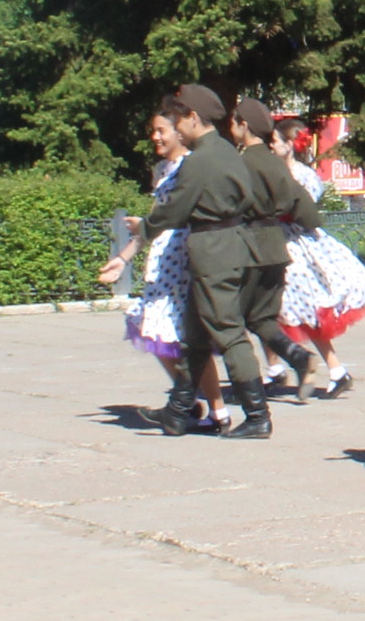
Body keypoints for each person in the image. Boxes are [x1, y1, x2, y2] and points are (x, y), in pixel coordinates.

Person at [108, 87, 285, 437]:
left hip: (214, 249)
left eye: (178, 120)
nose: (175, 126)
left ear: (192, 119)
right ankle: (178, 410)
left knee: (229, 332)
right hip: (226, 245)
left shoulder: (201, 160)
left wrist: (144, 226)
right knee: (196, 335)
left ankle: (257, 415)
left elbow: (174, 208)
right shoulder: (224, 150)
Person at [219, 98, 322, 400]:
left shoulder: (241, 162)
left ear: (244, 126)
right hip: (277, 248)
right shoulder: (275, 163)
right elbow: (307, 210)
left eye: (234, 120)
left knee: (232, 318)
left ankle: (246, 385)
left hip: (247, 247)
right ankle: (300, 358)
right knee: (262, 318)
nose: (231, 126)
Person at [111, 109, 199, 431]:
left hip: (185, 260)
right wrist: (123, 258)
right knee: (153, 330)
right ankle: (187, 402)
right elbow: (153, 222)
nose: (155, 137)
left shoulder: (192, 166)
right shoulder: (163, 169)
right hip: (163, 261)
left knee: (189, 341)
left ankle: (215, 412)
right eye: (154, 130)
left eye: (161, 130)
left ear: (179, 130)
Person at [277, 129, 365, 400]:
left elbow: (302, 208)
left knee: (302, 308)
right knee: (277, 308)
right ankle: (277, 368)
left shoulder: (302, 175)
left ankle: (333, 369)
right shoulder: (270, 171)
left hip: (299, 244)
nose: (270, 146)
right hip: (279, 241)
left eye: (275, 141)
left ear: (289, 144)